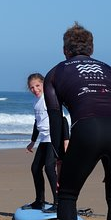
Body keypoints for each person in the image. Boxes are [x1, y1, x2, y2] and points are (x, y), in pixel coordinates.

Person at [44, 23, 111, 220]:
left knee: (68, 195)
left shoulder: (55, 73)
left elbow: (55, 119)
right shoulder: (110, 71)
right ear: (91, 49)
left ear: (64, 50)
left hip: (88, 128)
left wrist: (59, 158)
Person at [25, 73, 69, 211]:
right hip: (44, 139)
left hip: (54, 138)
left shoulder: (49, 98)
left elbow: (63, 120)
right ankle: (40, 201)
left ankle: (58, 203)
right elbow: (37, 123)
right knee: (35, 168)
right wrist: (32, 141)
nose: (35, 89)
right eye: (32, 87)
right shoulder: (35, 102)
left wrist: (65, 140)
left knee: (50, 168)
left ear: (43, 84)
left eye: (37, 85)